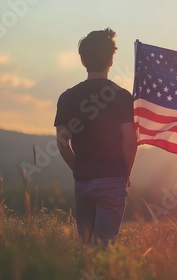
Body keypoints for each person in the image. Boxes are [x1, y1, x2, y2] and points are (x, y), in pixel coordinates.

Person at [54, 28, 136, 246]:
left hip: (82, 181)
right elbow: (129, 140)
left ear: (82, 60)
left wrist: (77, 168)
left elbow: (62, 143)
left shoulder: (67, 97)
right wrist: (125, 172)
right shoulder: (122, 96)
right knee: (104, 250)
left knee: (87, 249)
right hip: (113, 179)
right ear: (111, 60)